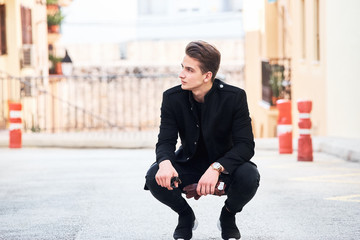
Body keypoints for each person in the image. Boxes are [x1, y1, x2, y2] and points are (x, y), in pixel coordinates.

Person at [144, 40, 260, 240]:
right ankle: (185, 216)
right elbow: (165, 141)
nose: (181, 74)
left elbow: (245, 146)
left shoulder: (234, 97)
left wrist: (217, 168)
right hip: (189, 163)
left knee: (250, 176)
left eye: (189, 70)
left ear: (207, 76)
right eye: (182, 67)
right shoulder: (172, 98)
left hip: (226, 167)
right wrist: (164, 163)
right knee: (154, 176)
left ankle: (228, 216)